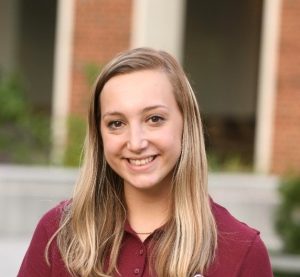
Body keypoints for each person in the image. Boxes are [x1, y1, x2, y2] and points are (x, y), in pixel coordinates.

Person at [18, 47, 273, 277]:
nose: (136, 142)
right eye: (116, 123)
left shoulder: (242, 251)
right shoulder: (57, 234)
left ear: (186, 124)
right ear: (100, 135)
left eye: (154, 119)